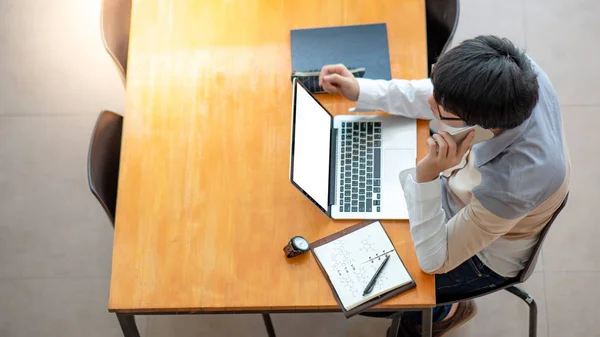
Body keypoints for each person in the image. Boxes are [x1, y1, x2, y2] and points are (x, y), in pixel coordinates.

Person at [319, 35, 570, 336]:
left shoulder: (515, 182)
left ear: (479, 124)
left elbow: (435, 260)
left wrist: (426, 174)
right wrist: (364, 90)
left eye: (441, 108)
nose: (429, 102)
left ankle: (442, 312)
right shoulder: (514, 71)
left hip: (483, 256)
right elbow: (448, 95)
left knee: (363, 290)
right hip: (465, 195)